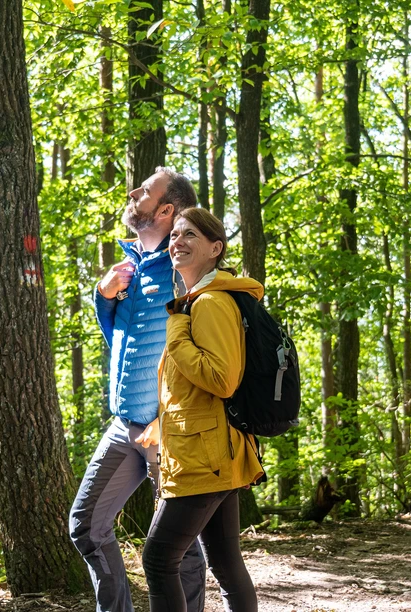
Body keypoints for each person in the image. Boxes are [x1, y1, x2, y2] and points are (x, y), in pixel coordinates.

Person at [69, 168, 206, 612]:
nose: (132, 193)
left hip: (167, 430)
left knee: (179, 547)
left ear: (165, 210)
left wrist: (172, 418)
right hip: (124, 422)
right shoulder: (131, 265)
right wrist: (104, 297)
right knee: (86, 526)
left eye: (144, 191)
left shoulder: (184, 268)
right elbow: (123, 345)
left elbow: (208, 349)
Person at [137, 207, 262, 612]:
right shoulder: (197, 302)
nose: (178, 241)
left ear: (215, 248)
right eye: (174, 235)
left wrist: (176, 330)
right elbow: (194, 387)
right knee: (225, 561)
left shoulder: (209, 303)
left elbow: (221, 379)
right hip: (210, 451)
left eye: (190, 234)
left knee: (158, 560)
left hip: (204, 457)